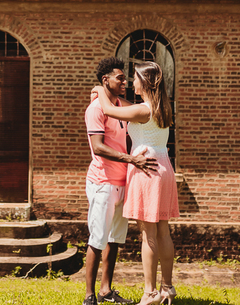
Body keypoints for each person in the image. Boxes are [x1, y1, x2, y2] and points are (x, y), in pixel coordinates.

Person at [92, 61, 179, 305]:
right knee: (163, 229)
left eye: (135, 78)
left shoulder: (143, 111)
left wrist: (100, 90)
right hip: (163, 166)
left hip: (146, 168)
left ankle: (150, 293)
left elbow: (109, 110)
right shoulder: (159, 107)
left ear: (146, 82)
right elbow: (128, 107)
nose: (132, 82)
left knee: (147, 233)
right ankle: (167, 288)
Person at [83, 57, 151, 305]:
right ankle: (90, 296)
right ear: (105, 80)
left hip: (123, 180)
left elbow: (145, 109)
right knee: (97, 239)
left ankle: (106, 290)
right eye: (119, 78)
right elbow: (98, 147)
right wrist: (131, 159)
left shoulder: (121, 106)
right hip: (102, 181)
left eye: (125, 78)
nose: (125, 82)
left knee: (115, 239)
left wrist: (129, 164)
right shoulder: (95, 110)